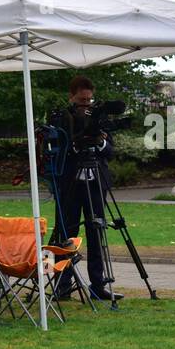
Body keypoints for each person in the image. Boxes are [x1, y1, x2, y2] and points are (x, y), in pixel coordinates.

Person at [50, 75, 119, 302]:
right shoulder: (63, 118)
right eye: (82, 101)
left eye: (89, 100)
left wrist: (98, 142)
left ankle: (98, 285)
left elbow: (110, 151)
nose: (86, 105)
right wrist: (76, 144)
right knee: (67, 234)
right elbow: (56, 151)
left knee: (96, 231)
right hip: (70, 183)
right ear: (71, 98)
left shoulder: (99, 117)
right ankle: (62, 285)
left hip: (96, 181)